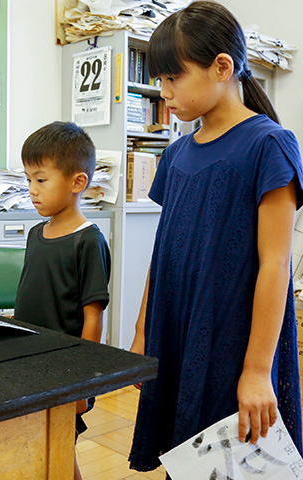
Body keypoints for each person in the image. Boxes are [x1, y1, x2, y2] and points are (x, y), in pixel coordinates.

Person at [128, 1, 303, 473]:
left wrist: (257, 370)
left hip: (233, 336)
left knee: (233, 460)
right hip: (176, 327)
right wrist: (144, 331)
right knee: (181, 457)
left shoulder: (269, 144)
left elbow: (275, 265)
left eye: (173, 78)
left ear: (222, 67)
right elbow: (162, 254)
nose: (165, 93)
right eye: (160, 81)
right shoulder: (178, 152)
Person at [14, 121, 111, 480]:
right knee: (32, 441)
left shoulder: (88, 241)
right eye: (28, 180)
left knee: (60, 449)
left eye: (41, 180)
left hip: (65, 368)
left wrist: (84, 384)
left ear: (77, 183)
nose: (32, 190)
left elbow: (93, 317)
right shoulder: (36, 233)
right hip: (28, 360)